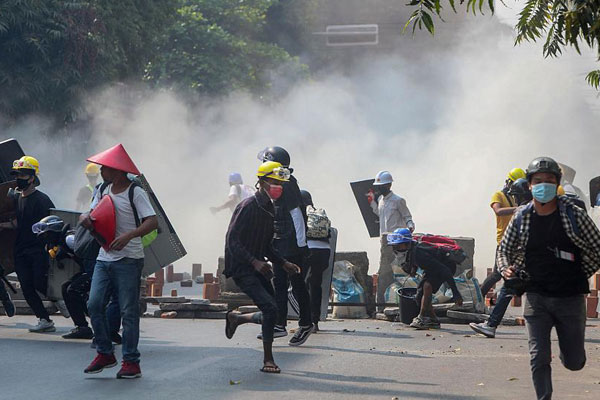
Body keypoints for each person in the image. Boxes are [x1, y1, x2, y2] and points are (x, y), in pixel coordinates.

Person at [497, 156, 600, 400]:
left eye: (549, 181)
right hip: (536, 297)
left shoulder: (574, 215)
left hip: (570, 298)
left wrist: (580, 273)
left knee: (575, 362)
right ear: (530, 185)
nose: (544, 186)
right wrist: (505, 269)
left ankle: (569, 353)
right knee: (538, 356)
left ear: (557, 184)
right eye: (538, 181)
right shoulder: (522, 217)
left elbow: (597, 249)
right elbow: (503, 250)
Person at [81, 144, 158, 379]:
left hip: (129, 259)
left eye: (105, 167)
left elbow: (152, 222)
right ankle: (105, 352)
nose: (101, 171)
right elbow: (93, 213)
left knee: (128, 311)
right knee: (94, 304)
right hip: (104, 256)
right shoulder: (102, 188)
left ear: (116, 170)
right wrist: (86, 219)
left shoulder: (136, 192)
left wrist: (129, 236)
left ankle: (131, 362)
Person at [224, 161, 301, 374]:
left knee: (273, 312)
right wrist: (255, 262)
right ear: (263, 182)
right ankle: (268, 359)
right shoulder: (248, 206)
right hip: (242, 267)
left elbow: (267, 245)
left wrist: (283, 263)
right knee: (270, 308)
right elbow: (232, 240)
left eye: (280, 183)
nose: (279, 186)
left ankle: (237, 318)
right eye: (275, 182)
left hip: (259, 266)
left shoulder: (269, 208)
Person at [257, 146, 313, 345]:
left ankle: (306, 323)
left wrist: (301, 245)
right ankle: (279, 324)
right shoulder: (278, 183)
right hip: (281, 244)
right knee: (279, 284)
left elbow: (296, 215)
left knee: (298, 286)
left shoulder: (287, 185)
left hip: (292, 246)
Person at [0, 156, 60, 332]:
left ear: (32, 177)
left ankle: (61, 300)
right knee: (26, 286)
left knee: (39, 282)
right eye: (17, 175)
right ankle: (44, 320)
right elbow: (19, 222)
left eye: (23, 175)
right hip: (21, 249)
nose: (19, 179)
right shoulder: (18, 198)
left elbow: (54, 223)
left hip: (38, 249)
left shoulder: (42, 200)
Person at [470, 168, 526, 338]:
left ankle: (483, 305)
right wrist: (518, 208)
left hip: (519, 246)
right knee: (498, 276)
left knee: (504, 279)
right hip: (505, 241)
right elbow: (498, 211)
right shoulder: (499, 196)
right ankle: (478, 299)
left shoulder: (522, 202)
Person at [388, 228, 463, 329]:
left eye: (398, 245)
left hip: (446, 266)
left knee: (427, 286)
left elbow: (445, 271)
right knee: (419, 296)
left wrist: (456, 293)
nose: (396, 248)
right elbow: (414, 261)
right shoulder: (412, 249)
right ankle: (433, 319)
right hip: (433, 267)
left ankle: (422, 318)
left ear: (406, 244)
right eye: (394, 246)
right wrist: (413, 269)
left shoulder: (420, 253)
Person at [368, 170, 415, 310]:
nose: (379, 188)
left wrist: (411, 226)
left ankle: (400, 299)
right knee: (386, 270)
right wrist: (372, 204)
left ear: (388, 185)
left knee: (400, 269)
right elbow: (380, 214)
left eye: (381, 185)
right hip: (385, 241)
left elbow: (407, 216)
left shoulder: (398, 200)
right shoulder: (381, 200)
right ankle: (387, 301)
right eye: (378, 186)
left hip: (398, 241)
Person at [300, 189, 331, 332]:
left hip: (308, 250)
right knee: (315, 284)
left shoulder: (299, 213)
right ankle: (315, 322)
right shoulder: (319, 213)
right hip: (324, 251)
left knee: (300, 285)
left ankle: (305, 322)